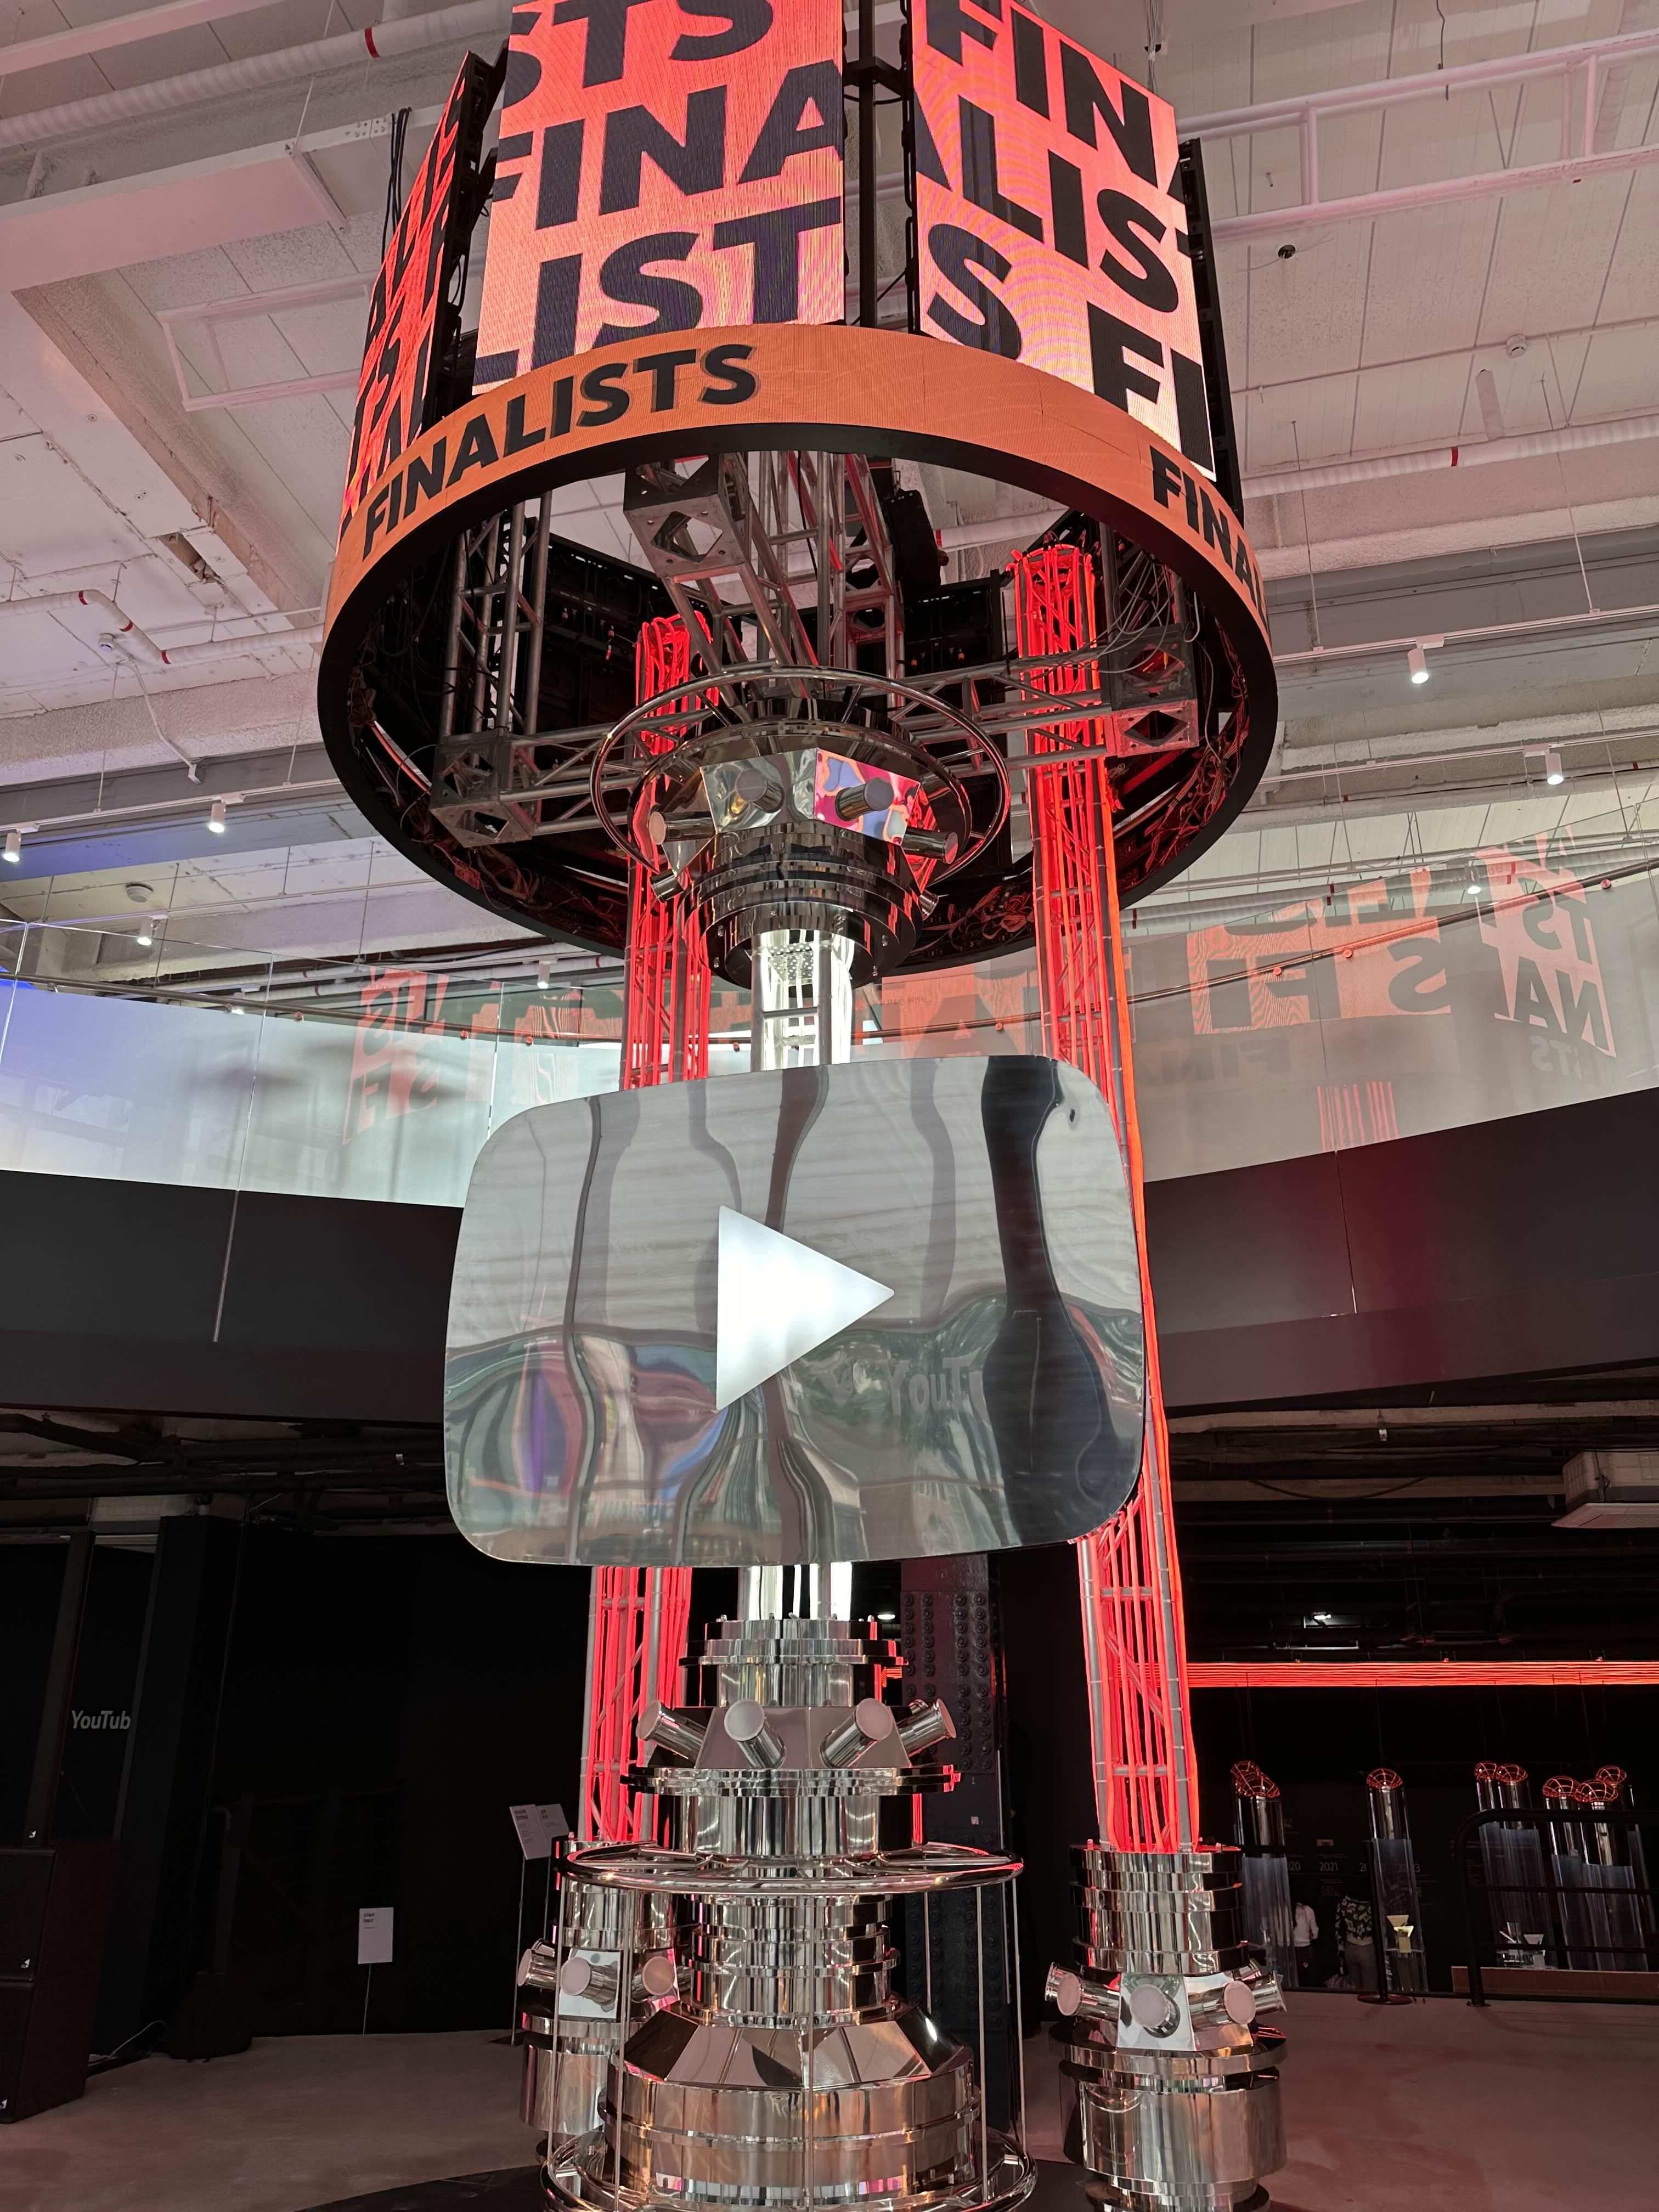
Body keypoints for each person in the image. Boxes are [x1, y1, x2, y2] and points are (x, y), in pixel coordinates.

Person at [1292, 1900, 1318, 1985]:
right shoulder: (1307, 1910)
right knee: (1307, 1980)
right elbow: (1315, 1935)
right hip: (1305, 1950)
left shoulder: (1281, 1909)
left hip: (1288, 1950)